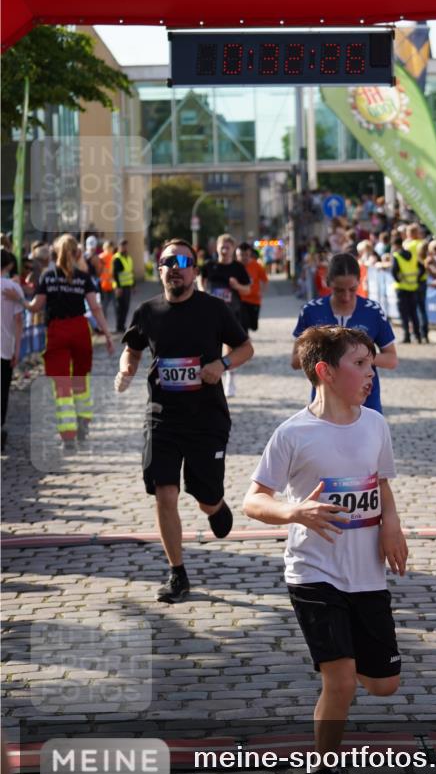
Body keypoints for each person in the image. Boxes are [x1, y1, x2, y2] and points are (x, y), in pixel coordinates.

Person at [243, 326, 408, 774]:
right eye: (360, 364)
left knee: (383, 684)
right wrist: (295, 512)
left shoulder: (375, 425)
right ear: (325, 371)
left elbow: (381, 484)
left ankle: (347, 662)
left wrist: (392, 525)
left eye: (372, 365)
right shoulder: (293, 434)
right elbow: (255, 501)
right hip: (313, 571)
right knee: (338, 682)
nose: (370, 374)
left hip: (366, 573)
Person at [114, 239, 254, 604]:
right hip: (161, 416)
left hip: (206, 418)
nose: (175, 267)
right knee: (165, 493)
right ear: (159, 269)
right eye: (167, 261)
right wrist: (126, 371)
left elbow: (245, 348)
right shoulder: (148, 312)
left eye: (183, 261)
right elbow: (131, 348)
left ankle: (215, 505)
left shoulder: (214, 309)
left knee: (204, 496)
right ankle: (177, 572)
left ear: (194, 268)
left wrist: (220, 365)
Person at [7, 234, 113, 451]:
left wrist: (18, 298)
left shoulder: (48, 276)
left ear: (55, 253)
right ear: (76, 253)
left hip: (57, 331)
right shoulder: (84, 278)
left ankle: (68, 436)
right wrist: (108, 335)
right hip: (80, 330)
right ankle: (83, 419)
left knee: (62, 383)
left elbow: (35, 307)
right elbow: (95, 308)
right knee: (81, 379)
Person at [292, 253, 397, 414]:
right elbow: (295, 361)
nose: (346, 297)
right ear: (328, 283)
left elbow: (391, 360)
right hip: (325, 405)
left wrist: (359, 359)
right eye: (339, 290)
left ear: (359, 282)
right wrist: (331, 358)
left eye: (353, 289)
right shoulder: (311, 311)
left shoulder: (372, 311)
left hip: (367, 403)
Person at [199, 233, 250, 397]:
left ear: (232, 249)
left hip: (231, 312)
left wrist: (237, 285)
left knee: (230, 346)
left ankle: (229, 377)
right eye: (222, 246)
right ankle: (209, 374)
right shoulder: (209, 265)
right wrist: (202, 290)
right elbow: (201, 278)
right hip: (209, 312)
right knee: (210, 343)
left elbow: (247, 289)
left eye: (228, 246)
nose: (224, 249)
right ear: (217, 247)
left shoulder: (238, 268)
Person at [1, 249, 24, 453]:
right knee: (3, 391)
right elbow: (19, 322)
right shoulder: (13, 289)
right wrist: (18, 350)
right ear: (8, 266)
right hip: (5, 348)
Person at [391, 233, 423, 344]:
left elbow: (394, 272)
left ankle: (407, 336)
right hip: (413, 288)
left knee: (404, 315)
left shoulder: (396, 256)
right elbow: (422, 268)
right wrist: (417, 279)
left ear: (395, 244)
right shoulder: (413, 255)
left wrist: (399, 280)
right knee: (414, 314)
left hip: (402, 289)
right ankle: (418, 336)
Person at [236, 242, 269, 333]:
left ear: (250, 254)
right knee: (243, 323)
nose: (244, 257)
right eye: (241, 255)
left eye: (246, 255)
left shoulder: (256, 266)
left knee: (254, 326)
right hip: (240, 300)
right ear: (237, 255)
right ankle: (244, 338)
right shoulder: (235, 266)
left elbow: (265, 280)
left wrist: (262, 292)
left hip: (254, 300)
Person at [113, 239, 135, 333]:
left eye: (126, 246)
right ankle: (119, 326)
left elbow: (131, 272)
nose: (125, 248)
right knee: (120, 307)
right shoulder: (117, 258)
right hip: (120, 287)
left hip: (128, 286)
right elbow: (115, 274)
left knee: (126, 307)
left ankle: (122, 326)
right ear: (119, 247)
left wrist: (134, 285)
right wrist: (118, 287)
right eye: (123, 246)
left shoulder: (128, 257)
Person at [98, 240, 116, 319]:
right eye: (108, 248)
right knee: (104, 305)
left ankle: (118, 325)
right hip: (104, 285)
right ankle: (104, 322)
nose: (110, 249)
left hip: (112, 284)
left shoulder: (114, 257)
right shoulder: (101, 257)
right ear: (105, 248)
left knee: (114, 305)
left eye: (111, 248)